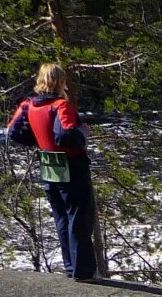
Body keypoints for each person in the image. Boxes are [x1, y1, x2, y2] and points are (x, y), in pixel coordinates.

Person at [5, 62, 98, 281]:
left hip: (48, 167)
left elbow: (12, 131)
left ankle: (69, 267)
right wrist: (83, 133)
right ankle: (83, 272)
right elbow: (65, 135)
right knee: (78, 219)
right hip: (72, 168)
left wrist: (37, 140)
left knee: (62, 219)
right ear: (60, 81)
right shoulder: (60, 105)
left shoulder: (28, 105)